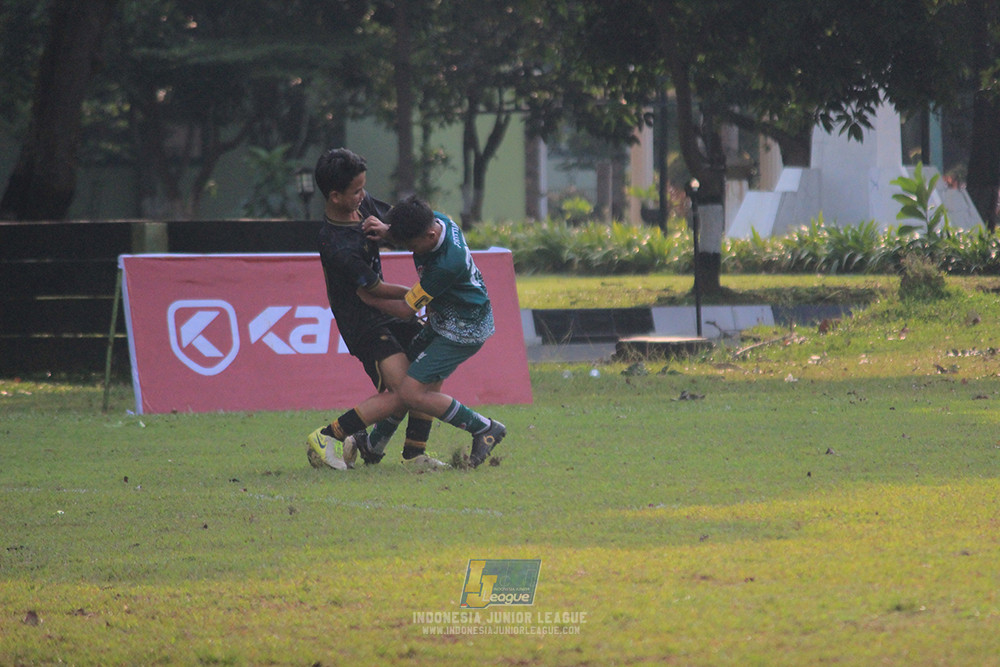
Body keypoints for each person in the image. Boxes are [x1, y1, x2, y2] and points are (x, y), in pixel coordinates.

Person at [307, 195, 506, 469]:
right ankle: (393, 449)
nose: (412, 250)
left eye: (412, 245)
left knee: (410, 391)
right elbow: (414, 235)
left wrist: (368, 299)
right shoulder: (436, 220)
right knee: (415, 383)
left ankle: (484, 429)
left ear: (430, 234)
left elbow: (405, 310)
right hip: (445, 318)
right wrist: (391, 231)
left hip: (463, 329)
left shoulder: (447, 265)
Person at [305, 148, 443, 471]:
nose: (364, 195)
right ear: (335, 196)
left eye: (363, 187)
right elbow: (374, 289)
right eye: (356, 191)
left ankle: (414, 453)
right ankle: (327, 436)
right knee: (403, 391)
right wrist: (417, 295)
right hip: (363, 323)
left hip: (388, 312)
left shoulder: (361, 204)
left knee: (432, 365)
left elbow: (396, 223)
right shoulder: (335, 244)